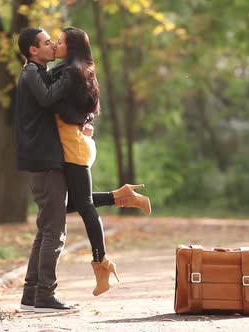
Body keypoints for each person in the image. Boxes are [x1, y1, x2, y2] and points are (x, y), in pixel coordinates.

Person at [15, 27, 150, 312]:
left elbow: (78, 100)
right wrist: (72, 75)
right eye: (48, 42)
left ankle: (32, 294)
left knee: (49, 226)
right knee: (55, 230)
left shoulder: (46, 72)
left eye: (57, 41)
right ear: (33, 50)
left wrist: (85, 115)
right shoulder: (34, 74)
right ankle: (44, 296)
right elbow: (50, 99)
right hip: (45, 159)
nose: (53, 45)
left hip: (53, 156)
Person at [50, 26, 151, 297]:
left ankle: (101, 262)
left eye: (59, 42)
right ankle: (122, 196)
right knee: (68, 205)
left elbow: (64, 108)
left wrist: (69, 117)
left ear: (70, 47)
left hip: (73, 147)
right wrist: (83, 121)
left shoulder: (69, 72)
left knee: (79, 207)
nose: (55, 45)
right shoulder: (80, 70)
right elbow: (86, 108)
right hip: (75, 144)